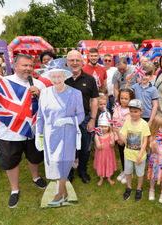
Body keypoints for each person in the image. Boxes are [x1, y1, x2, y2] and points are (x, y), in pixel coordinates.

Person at [0, 54, 47, 208]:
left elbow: (47, 108)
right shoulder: (3, 82)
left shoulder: (39, 84)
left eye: (30, 66)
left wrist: (40, 95)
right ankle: (14, 189)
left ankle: (36, 178)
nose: (28, 69)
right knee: (11, 162)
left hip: (33, 130)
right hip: (9, 133)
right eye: (25, 65)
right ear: (15, 66)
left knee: (35, 158)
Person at [36, 68, 84, 205]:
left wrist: (68, 120)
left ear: (64, 76)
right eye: (53, 77)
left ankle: (59, 195)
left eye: (59, 76)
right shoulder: (44, 93)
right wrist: (39, 135)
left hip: (67, 134)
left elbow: (81, 115)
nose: (56, 80)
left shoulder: (75, 93)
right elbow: (40, 116)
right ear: (49, 78)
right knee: (54, 163)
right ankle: (64, 192)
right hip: (50, 135)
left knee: (63, 162)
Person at [65, 50, 99, 183]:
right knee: (69, 148)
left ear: (82, 62)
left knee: (85, 147)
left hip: (85, 119)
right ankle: (69, 172)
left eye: (77, 60)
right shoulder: (62, 79)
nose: (74, 63)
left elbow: (95, 100)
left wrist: (93, 119)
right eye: (71, 60)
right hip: (67, 121)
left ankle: (82, 171)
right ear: (67, 63)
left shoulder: (90, 79)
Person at [114, 99, 150, 202]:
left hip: (139, 155)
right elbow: (124, 140)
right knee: (128, 172)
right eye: (131, 111)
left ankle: (139, 188)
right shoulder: (127, 122)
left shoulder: (144, 124)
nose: (133, 114)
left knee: (139, 173)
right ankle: (129, 187)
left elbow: (145, 142)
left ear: (141, 112)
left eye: (136, 111)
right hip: (128, 154)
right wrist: (117, 131)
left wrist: (140, 155)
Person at [113, 89, 135, 184]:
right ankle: (124, 170)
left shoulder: (132, 111)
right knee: (122, 155)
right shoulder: (116, 109)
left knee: (128, 156)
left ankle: (129, 172)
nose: (123, 100)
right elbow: (114, 124)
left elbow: (133, 126)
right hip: (119, 137)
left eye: (126, 98)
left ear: (131, 99)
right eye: (122, 98)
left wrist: (124, 139)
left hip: (128, 139)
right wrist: (117, 138)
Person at [126, 62, 158, 126]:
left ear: (150, 76)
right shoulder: (135, 86)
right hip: (137, 115)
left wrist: (151, 120)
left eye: (146, 75)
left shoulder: (153, 89)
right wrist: (127, 82)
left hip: (147, 117)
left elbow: (155, 106)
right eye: (142, 75)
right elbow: (125, 93)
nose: (144, 77)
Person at [93, 112, 116, 186]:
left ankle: (109, 177)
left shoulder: (111, 134)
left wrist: (112, 143)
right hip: (100, 155)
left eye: (105, 126)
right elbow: (97, 144)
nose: (103, 128)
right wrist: (99, 145)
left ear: (109, 127)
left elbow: (113, 144)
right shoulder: (97, 135)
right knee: (101, 164)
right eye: (101, 126)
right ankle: (101, 178)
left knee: (108, 164)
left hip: (109, 155)